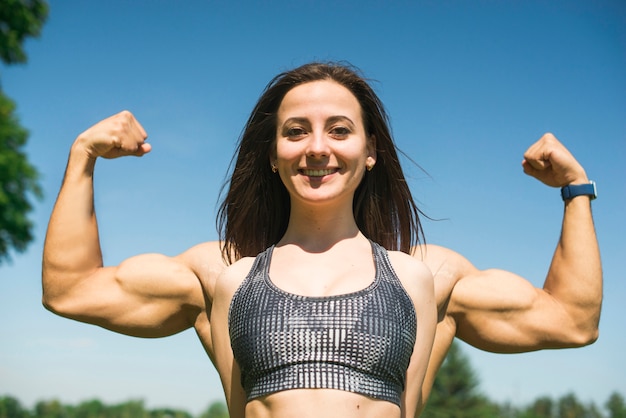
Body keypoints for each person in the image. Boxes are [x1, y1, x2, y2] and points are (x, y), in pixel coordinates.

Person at [42, 62, 602, 417]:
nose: (316, 147)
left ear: (371, 151)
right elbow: (71, 290)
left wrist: (576, 189)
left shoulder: (425, 277)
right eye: (295, 131)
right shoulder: (224, 274)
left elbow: (571, 320)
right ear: (271, 155)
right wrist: (83, 155)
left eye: (339, 129)